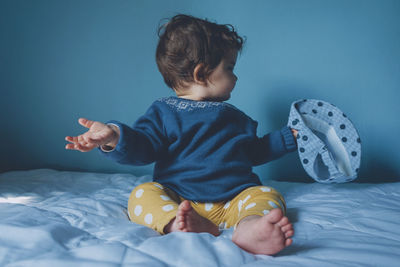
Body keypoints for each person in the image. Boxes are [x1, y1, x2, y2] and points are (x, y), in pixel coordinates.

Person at [65, 14, 297, 255]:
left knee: (266, 194)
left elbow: (252, 152)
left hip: (234, 200)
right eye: (229, 68)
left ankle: (250, 227)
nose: (235, 76)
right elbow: (143, 146)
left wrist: (287, 137)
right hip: (180, 200)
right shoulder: (165, 113)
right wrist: (114, 135)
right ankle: (177, 222)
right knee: (142, 193)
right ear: (201, 73)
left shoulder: (235, 117)